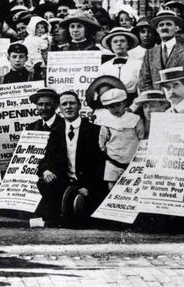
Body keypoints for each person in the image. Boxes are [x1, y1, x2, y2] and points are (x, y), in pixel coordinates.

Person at [36, 90, 104, 227]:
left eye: (72, 103)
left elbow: (100, 163)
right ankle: (62, 213)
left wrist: (87, 186)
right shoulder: (56, 131)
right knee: (44, 183)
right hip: (65, 182)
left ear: (79, 106)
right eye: (64, 104)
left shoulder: (94, 130)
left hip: (87, 183)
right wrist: (46, 171)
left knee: (90, 214)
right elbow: (46, 159)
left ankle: (69, 213)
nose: (68, 107)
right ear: (59, 108)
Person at [94, 88, 143, 189]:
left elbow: (141, 137)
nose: (115, 109)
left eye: (118, 105)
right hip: (113, 161)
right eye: (111, 106)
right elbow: (102, 139)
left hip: (132, 160)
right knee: (112, 188)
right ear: (107, 107)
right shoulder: (106, 121)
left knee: (132, 187)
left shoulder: (135, 119)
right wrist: (105, 150)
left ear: (124, 103)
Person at [138, 9, 184, 92]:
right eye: (161, 25)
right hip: (156, 101)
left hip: (179, 99)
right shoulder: (150, 52)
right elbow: (144, 80)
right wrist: (155, 98)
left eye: (169, 24)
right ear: (157, 29)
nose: (164, 27)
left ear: (176, 28)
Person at [98, 27, 142, 101]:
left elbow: (141, 89)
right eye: (115, 42)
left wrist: (134, 107)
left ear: (128, 44)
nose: (119, 44)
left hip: (132, 102)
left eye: (122, 41)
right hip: (109, 103)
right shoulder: (104, 67)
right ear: (111, 46)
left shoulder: (138, 64)